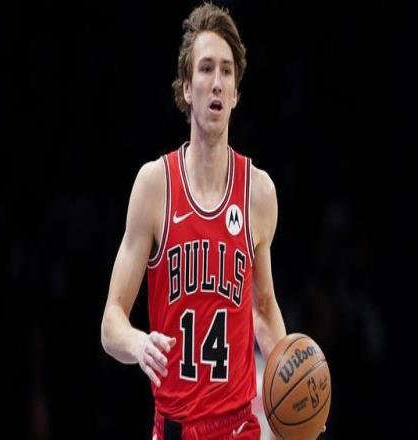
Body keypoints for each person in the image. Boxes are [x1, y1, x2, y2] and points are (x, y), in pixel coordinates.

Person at [101, 3, 287, 439]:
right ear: (187, 88)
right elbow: (111, 320)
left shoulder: (258, 193)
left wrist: (294, 385)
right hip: (174, 427)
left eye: (226, 71)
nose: (216, 81)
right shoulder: (154, 186)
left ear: (235, 93)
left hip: (239, 426)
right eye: (205, 69)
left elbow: (263, 310)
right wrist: (138, 342)